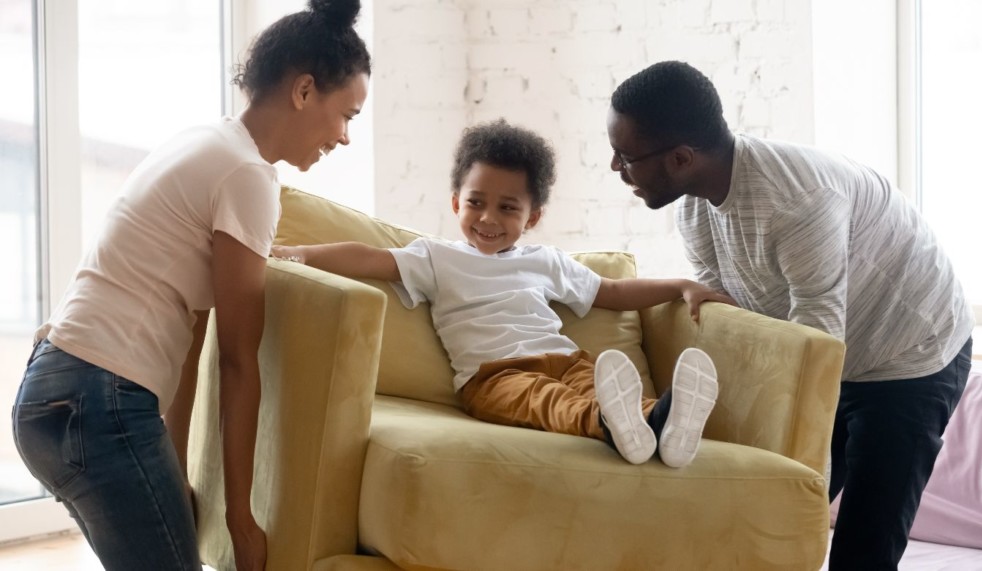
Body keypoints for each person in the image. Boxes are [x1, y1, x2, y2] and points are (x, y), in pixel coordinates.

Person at [11, 1, 370, 569]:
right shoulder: (248, 175)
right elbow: (237, 361)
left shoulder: (206, 141)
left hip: (47, 393)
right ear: (304, 91)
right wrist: (241, 520)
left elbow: (191, 335)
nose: (346, 137)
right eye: (347, 114)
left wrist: (172, 471)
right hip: (100, 401)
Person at [605, 60, 974, 570]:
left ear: (682, 157)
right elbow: (741, 324)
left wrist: (792, 463)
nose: (615, 169)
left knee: (863, 548)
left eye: (624, 157)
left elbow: (814, 355)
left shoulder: (798, 204)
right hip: (833, 350)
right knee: (763, 518)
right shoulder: (694, 209)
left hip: (909, 355)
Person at [272, 119, 733, 467]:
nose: (488, 218)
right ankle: (613, 425)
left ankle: (663, 422)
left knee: (590, 382)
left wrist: (681, 284)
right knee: (547, 401)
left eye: (508, 208)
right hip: (492, 377)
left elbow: (610, 291)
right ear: (457, 202)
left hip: (565, 359)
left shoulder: (545, 261)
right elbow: (368, 258)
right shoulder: (436, 258)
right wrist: (300, 255)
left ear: (531, 218)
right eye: (475, 203)